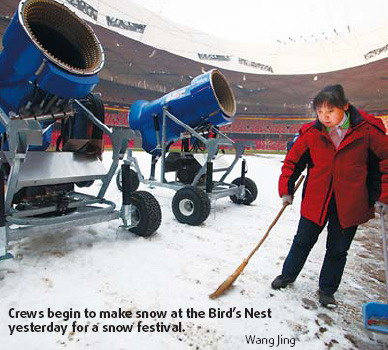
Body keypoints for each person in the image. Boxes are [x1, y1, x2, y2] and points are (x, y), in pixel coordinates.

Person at [271, 84, 388, 308]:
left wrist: (383, 196)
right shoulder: (311, 133)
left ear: (345, 107)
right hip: (316, 200)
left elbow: (385, 162)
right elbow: (292, 162)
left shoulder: (367, 130)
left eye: (330, 111)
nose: (325, 117)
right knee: (302, 241)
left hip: (351, 203)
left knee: (337, 249)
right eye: (320, 112)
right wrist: (285, 189)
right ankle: (287, 275)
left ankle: (327, 290)